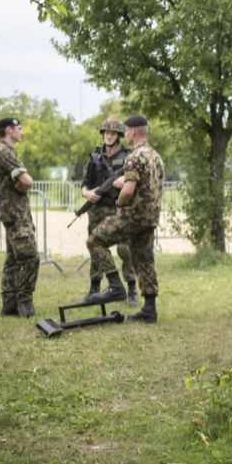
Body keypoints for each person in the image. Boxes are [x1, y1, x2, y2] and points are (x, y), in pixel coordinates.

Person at [86, 114, 164, 323]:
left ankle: (115, 285)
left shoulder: (134, 157)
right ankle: (149, 308)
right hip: (150, 218)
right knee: (144, 259)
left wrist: (119, 204)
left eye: (126, 130)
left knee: (95, 240)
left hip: (132, 216)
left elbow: (128, 191)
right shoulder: (155, 156)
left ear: (132, 132)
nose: (125, 134)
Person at [80, 118, 138, 306]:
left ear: (119, 135)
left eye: (112, 133)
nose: (109, 136)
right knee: (95, 248)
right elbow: (84, 185)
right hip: (96, 210)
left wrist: (124, 179)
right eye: (106, 133)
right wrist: (88, 194)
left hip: (118, 208)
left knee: (124, 248)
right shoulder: (94, 156)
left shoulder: (129, 156)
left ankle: (131, 288)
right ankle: (94, 288)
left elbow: (136, 178)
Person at [0, 117, 38, 318]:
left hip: (13, 213)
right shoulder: (4, 152)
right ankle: (24, 301)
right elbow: (27, 180)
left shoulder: (5, 152)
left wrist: (20, 185)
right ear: (9, 130)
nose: (22, 132)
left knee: (13, 258)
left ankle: (9, 302)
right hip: (15, 214)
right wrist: (23, 185)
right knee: (30, 257)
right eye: (19, 128)